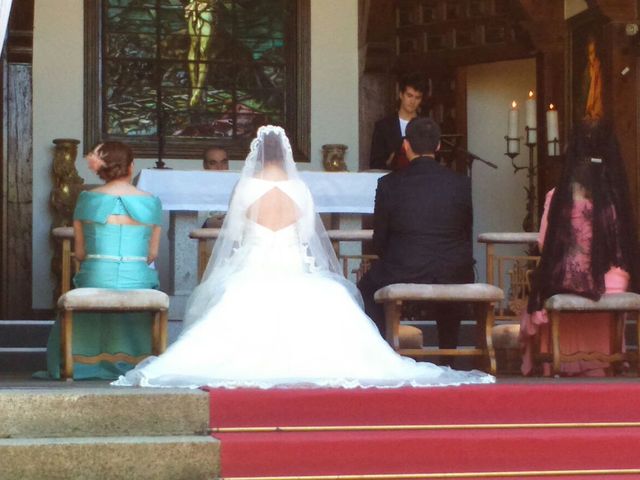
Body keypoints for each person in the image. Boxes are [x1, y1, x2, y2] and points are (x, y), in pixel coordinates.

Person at [112, 125, 493, 388]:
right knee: (334, 299)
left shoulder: (245, 189)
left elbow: (235, 236)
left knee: (227, 302)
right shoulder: (300, 190)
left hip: (254, 269)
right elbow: (310, 237)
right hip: (297, 267)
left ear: (254, 155)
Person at [520, 121, 640, 376]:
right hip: (613, 282)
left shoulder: (558, 197)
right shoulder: (613, 200)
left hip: (571, 279)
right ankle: (607, 360)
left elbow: (544, 243)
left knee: (548, 283)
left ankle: (557, 358)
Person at [41, 141, 163, 379]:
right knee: (141, 281)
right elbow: (152, 254)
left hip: (96, 274)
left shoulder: (87, 199)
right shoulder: (151, 201)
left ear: (100, 169)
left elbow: (81, 254)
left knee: (89, 280)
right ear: (131, 166)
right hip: (135, 277)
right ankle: (138, 362)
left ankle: (78, 363)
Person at [358, 117, 474, 361]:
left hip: (404, 265)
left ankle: (383, 354)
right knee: (453, 273)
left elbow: (379, 240)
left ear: (406, 146)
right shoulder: (460, 183)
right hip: (453, 268)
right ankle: (449, 357)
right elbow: (465, 231)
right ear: (439, 146)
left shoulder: (389, 184)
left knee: (365, 288)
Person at [369, 73, 426, 170]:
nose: (412, 101)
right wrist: (389, 162)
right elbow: (375, 164)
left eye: (417, 98)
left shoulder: (426, 126)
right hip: (393, 179)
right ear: (401, 95)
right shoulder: (383, 126)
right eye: (409, 95)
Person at [202, 146, 229, 229]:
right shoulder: (197, 189)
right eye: (213, 163)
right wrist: (208, 223)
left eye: (223, 162)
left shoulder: (239, 186)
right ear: (205, 166)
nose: (219, 167)